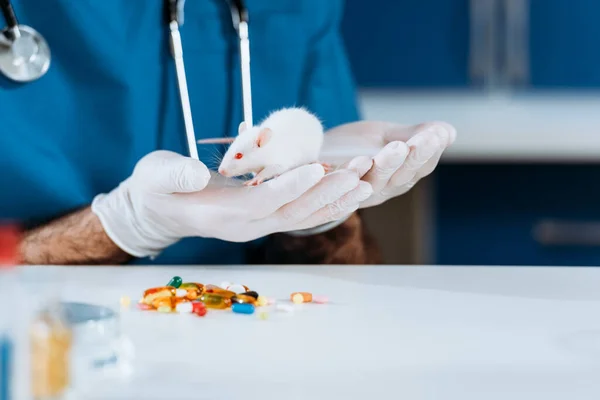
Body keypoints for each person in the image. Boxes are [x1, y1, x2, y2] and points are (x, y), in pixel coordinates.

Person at [0, 0, 456, 265]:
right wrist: (122, 225)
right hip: (39, 350)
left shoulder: (297, 8)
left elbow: (338, 272)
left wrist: (324, 210)